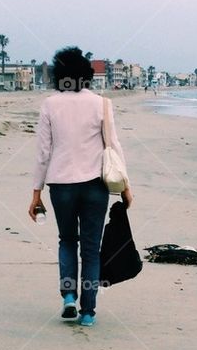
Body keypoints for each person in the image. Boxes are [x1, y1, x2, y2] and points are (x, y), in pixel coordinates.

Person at [28, 47, 133, 326]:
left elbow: (43, 153)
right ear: (86, 74)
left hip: (60, 185)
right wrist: (125, 187)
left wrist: (36, 193)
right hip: (95, 186)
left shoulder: (50, 105)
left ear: (59, 74)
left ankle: (68, 297)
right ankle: (88, 312)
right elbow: (114, 146)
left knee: (67, 241)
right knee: (90, 249)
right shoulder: (102, 104)